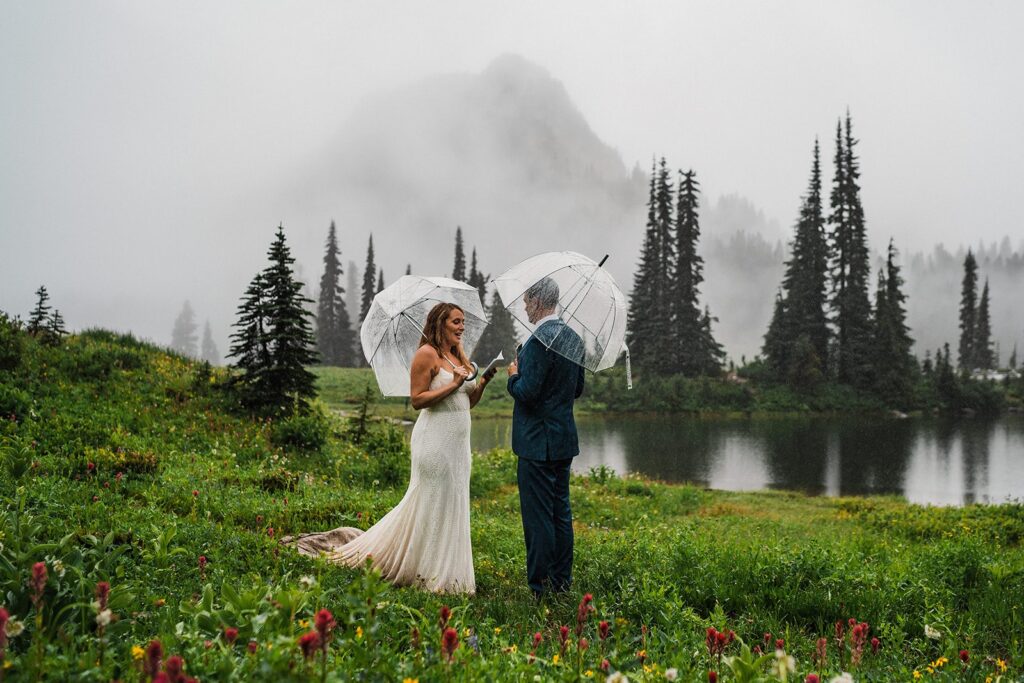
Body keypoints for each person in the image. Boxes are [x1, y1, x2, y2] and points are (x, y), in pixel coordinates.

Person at [283, 302, 496, 594]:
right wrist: (456, 382)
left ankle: (447, 572)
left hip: (458, 447)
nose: (462, 327)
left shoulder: (458, 356)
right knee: (430, 502)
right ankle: (426, 573)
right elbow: (418, 399)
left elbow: (466, 402)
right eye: (456, 322)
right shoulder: (427, 354)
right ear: (439, 324)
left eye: (463, 322)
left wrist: (480, 382)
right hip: (434, 442)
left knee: (452, 502)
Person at [506, 278, 585, 599]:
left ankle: (540, 588)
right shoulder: (574, 339)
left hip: (537, 443)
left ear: (539, 301)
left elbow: (527, 393)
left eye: (527, 301)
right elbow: (577, 389)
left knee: (538, 518)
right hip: (563, 439)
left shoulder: (539, 341)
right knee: (560, 514)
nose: (524, 307)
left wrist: (514, 375)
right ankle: (561, 583)